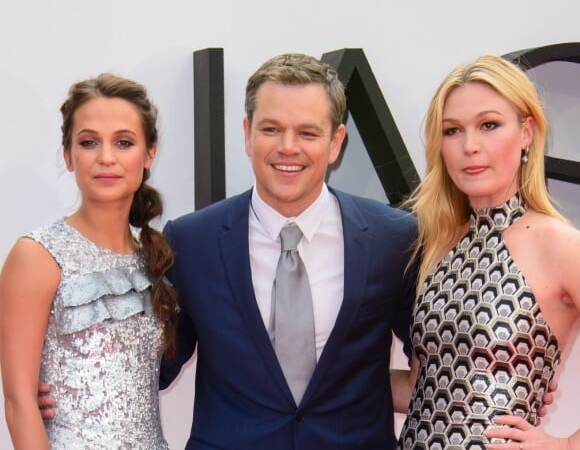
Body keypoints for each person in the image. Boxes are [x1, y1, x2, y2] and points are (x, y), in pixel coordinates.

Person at [159, 53, 418, 448]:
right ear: (247, 134)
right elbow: (153, 367)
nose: (288, 147)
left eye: (308, 133)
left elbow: (438, 357)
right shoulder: (191, 241)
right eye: (271, 129)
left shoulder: (394, 239)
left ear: (336, 143)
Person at [397, 55, 580, 449]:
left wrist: (566, 445)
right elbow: (417, 387)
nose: (470, 146)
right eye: (452, 131)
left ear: (526, 132)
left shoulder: (560, 244)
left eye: (489, 125)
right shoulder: (437, 246)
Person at [0, 74, 178, 448]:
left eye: (124, 142)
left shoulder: (154, 258)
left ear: (149, 155)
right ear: (68, 155)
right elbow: (19, 405)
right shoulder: (37, 256)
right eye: (89, 142)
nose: (106, 158)